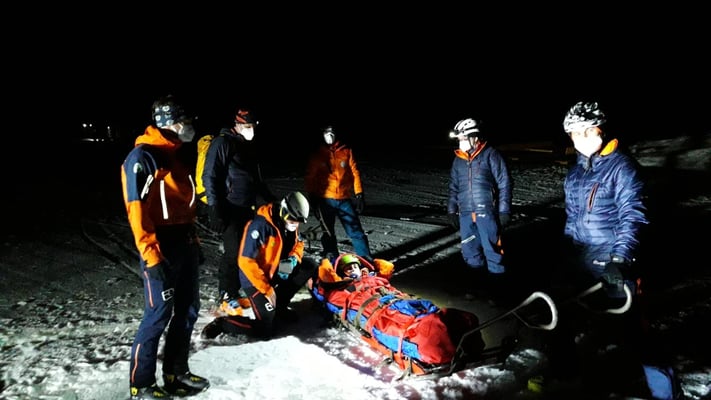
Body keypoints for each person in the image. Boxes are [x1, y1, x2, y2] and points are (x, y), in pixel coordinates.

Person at [547, 101, 678, 399]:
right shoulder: (575, 173)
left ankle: (665, 393)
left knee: (634, 330)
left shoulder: (622, 168)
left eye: (587, 131)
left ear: (601, 130)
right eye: (575, 133)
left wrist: (620, 259)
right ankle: (565, 376)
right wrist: (567, 253)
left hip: (612, 261)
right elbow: (573, 218)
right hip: (580, 259)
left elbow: (634, 215)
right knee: (558, 314)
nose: (582, 138)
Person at [120, 95, 209, 399]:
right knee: (158, 314)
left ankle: (176, 372)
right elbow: (137, 211)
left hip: (183, 242)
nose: (191, 125)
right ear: (170, 121)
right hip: (161, 246)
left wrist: (194, 241)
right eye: (186, 120)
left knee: (188, 309)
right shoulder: (144, 156)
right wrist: (151, 255)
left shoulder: (175, 154)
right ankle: (141, 383)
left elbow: (182, 206)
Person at [200, 191, 318, 339]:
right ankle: (224, 323)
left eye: (298, 221)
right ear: (284, 211)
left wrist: (293, 259)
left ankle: (279, 307)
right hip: (255, 280)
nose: (295, 224)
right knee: (265, 330)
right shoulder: (260, 226)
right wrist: (267, 289)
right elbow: (246, 262)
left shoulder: (289, 223)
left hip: (275, 270)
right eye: (293, 220)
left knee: (309, 265)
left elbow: (298, 244)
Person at [201, 108, 277, 316]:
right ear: (237, 125)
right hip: (229, 206)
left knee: (250, 250)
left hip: (247, 206)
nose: (251, 130)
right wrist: (214, 207)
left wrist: (270, 199)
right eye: (248, 126)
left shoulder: (246, 146)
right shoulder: (222, 143)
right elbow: (210, 175)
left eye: (253, 126)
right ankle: (226, 293)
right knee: (233, 252)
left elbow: (255, 178)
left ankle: (245, 287)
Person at [446, 118, 512, 301]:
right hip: (466, 214)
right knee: (470, 251)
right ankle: (476, 288)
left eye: (463, 138)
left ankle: (497, 293)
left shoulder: (491, 155)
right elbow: (453, 187)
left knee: (493, 251)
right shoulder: (458, 160)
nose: (461, 142)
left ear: (474, 137)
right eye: (459, 139)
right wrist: (451, 210)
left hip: (487, 212)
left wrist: (504, 210)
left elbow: (504, 183)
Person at [304, 125, 373, 263]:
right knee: (327, 232)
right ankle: (333, 261)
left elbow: (355, 173)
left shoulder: (346, 151)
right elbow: (311, 177)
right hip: (325, 200)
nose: (329, 135)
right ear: (322, 134)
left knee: (355, 231)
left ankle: (366, 260)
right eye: (326, 132)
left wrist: (359, 194)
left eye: (332, 132)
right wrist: (312, 197)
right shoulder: (318, 155)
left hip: (344, 199)